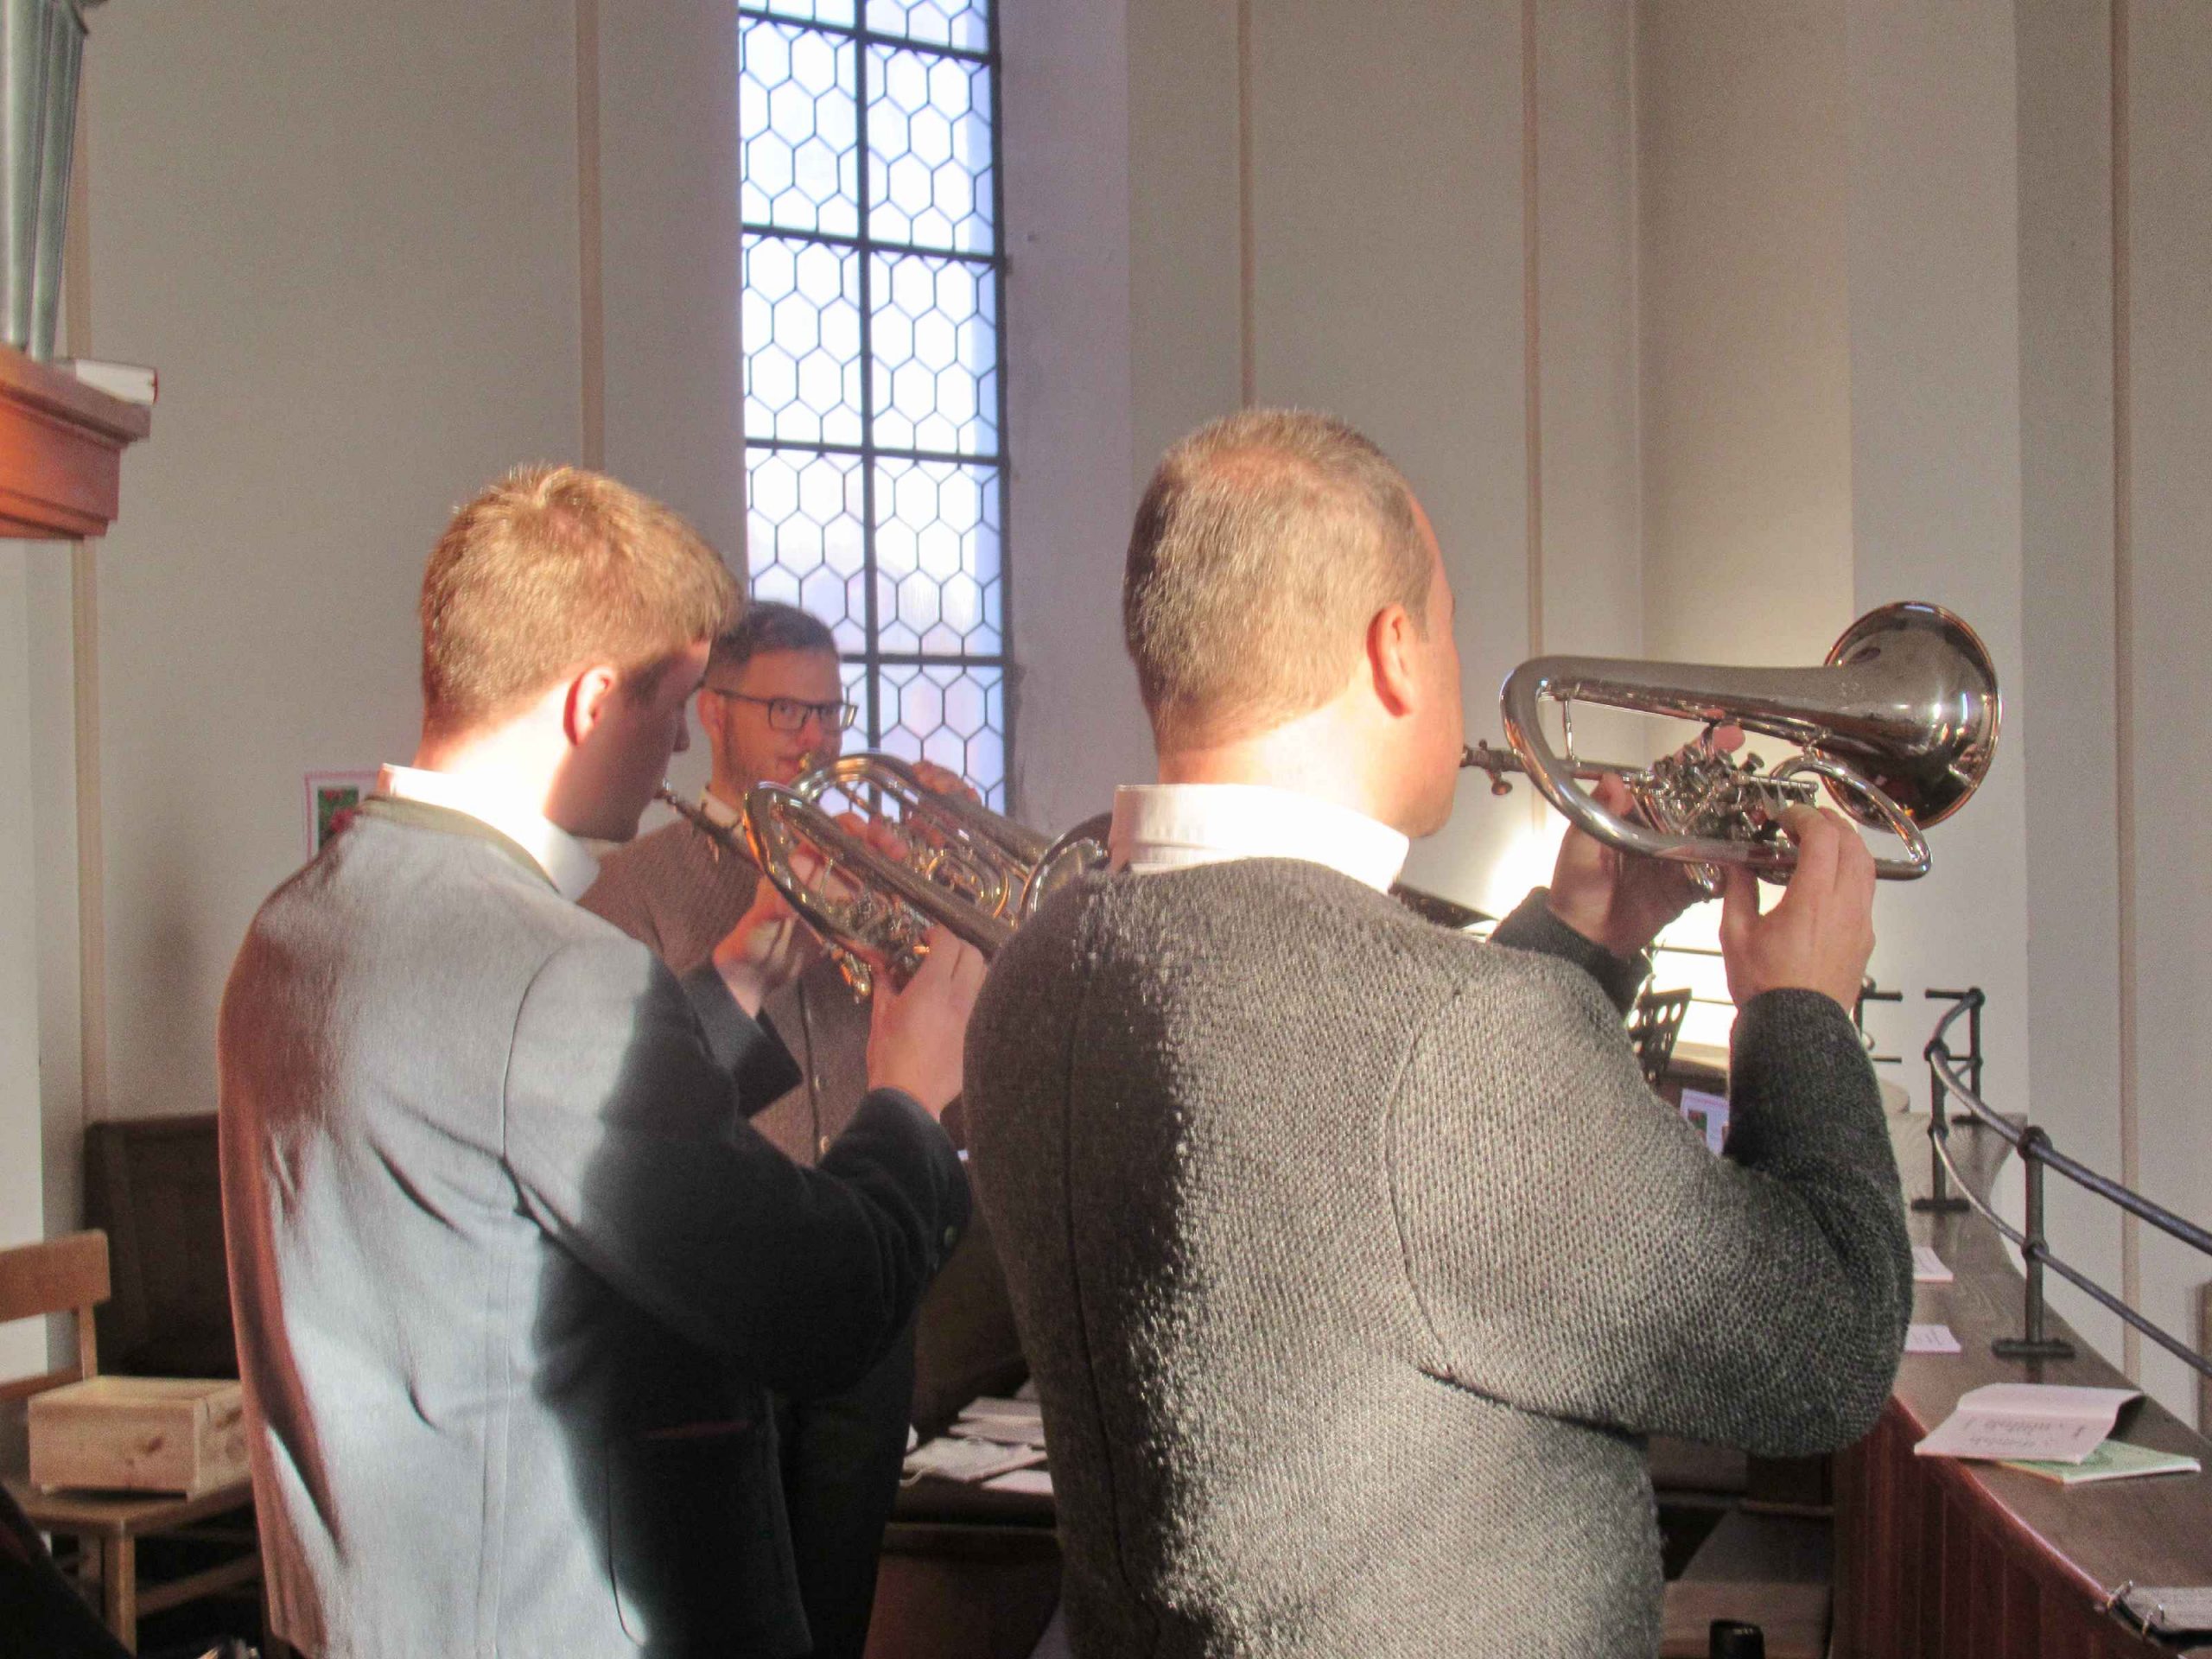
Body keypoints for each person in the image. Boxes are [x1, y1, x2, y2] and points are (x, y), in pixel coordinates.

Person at [963, 410, 1912, 1658]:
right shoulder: (1452, 1044)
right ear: (1394, 651)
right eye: (1451, 627)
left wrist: (1586, 934)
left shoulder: (1037, 968)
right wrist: (1803, 1014)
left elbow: (1350, 1172)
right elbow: (1827, 1350)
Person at [218, 466, 981, 1659]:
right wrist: (912, 1099)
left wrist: (740, 981)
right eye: (672, 705)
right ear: (588, 703)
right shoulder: (552, 971)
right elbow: (820, 1310)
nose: (678, 739)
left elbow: (523, 1134)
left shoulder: (294, 925)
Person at [584, 601, 1025, 1659]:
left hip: (867, 1292)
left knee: (839, 1611)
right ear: (714, 712)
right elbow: (627, 1117)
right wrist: (745, 953)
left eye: (830, 712)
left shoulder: (872, 860)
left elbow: (958, 1070)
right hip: (721, 1310)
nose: (816, 737)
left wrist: (945, 888)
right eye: (787, 710)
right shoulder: (632, 887)